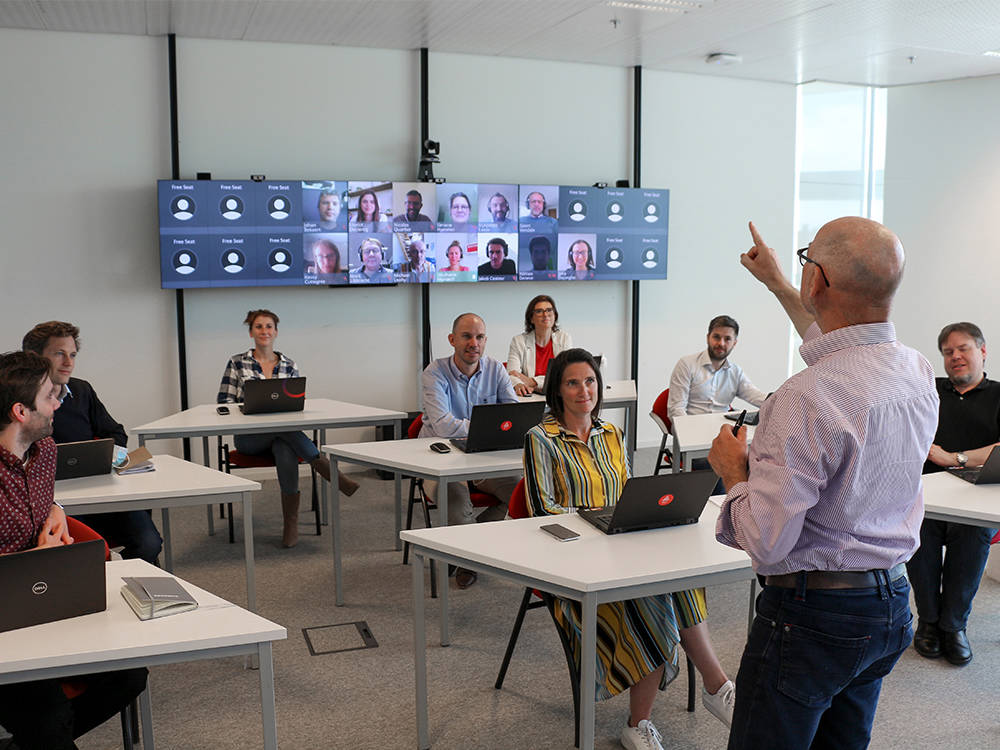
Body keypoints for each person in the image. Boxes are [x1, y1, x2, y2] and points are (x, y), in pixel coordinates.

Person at [708, 219, 938, 750]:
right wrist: (778, 283)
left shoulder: (801, 399)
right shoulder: (916, 370)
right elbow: (837, 345)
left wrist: (734, 473)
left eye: (807, 260)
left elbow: (767, 542)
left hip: (811, 620)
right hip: (891, 605)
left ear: (818, 281)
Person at [524, 348, 735, 750]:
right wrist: (597, 523)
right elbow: (541, 513)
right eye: (573, 382)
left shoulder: (612, 434)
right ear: (558, 390)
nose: (584, 390)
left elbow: (628, 494)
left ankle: (715, 686)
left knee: (680, 579)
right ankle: (642, 723)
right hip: (574, 568)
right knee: (655, 596)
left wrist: (634, 517)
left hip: (622, 547)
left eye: (590, 381)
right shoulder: (540, 439)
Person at [0, 350, 148, 750]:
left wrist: (56, 508)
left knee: (131, 675)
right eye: (51, 396)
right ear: (20, 411)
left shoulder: (45, 450)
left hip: (46, 599)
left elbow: (38, 498)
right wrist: (35, 559)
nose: (59, 404)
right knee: (49, 719)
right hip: (6, 623)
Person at [22, 321, 162, 564]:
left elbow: (115, 432)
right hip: (55, 500)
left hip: (100, 490)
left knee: (149, 542)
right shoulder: (18, 402)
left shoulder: (81, 390)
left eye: (73, 354)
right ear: (34, 357)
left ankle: (130, 586)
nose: (69, 362)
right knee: (87, 551)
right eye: (59, 353)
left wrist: (108, 458)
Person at [218, 309, 359, 548]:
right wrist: (244, 411)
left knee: (285, 445)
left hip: (282, 437)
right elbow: (225, 402)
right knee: (286, 435)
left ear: (276, 331)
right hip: (249, 440)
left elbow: (297, 406)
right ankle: (328, 470)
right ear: (251, 332)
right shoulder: (237, 362)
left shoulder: (289, 365)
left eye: (269, 326)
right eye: (259, 326)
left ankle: (290, 523)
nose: (265, 331)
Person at [907, 321, 1000, 666]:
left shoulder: (998, 395)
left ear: (982, 351)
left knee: (972, 533)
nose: (955, 356)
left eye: (963, 349)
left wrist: (954, 458)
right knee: (920, 530)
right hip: (926, 496)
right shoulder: (927, 391)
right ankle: (929, 622)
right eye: (948, 352)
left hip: (975, 499)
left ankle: (954, 626)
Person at [419, 313, 521, 588]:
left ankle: (468, 546)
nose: (473, 343)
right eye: (466, 336)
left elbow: (513, 417)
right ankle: (469, 559)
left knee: (524, 496)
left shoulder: (496, 370)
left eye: (479, 337)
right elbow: (442, 426)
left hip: (485, 459)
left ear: (485, 341)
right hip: (441, 462)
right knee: (456, 506)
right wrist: (490, 425)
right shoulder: (434, 372)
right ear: (452, 340)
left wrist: (495, 426)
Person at [667, 315, 767, 420]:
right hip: (690, 427)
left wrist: (781, 401)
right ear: (708, 337)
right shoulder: (686, 364)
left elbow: (757, 397)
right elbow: (676, 410)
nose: (721, 343)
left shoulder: (735, 372)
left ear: (734, 343)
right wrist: (689, 431)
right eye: (716, 337)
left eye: (727, 339)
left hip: (721, 429)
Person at [507, 295, 573, 396]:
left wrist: (531, 381)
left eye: (549, 310)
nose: (545, 315)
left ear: (555, 315)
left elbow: (565, 374)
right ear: (531, 319)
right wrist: (519, 383)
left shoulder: (564, 339)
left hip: (557, 396)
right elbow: (511, 374)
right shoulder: (518, 341)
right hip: (531, 397)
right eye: (539, 311)